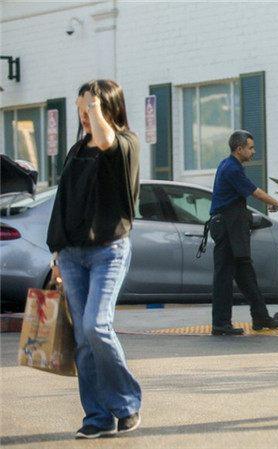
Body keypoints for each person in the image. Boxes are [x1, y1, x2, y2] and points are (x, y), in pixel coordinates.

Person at [46, 80, 142, 439]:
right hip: (72, 254)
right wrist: (57, 254)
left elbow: (105, 140)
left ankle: (126, 404)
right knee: (83, 339)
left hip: (108, 250)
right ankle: (98, 417)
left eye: (90, 108)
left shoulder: (125, 144)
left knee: (96, 326)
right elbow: (65, 203)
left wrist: (94, 105)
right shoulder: (76, 150)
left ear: (108, 107)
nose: (84, 115)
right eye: (80, 108)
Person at [209, 130, 278, 335]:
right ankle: (220, 324)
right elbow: (255, 192)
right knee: (224, 276)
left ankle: (260, 316)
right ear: (239, 149)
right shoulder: (232, 168)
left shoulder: (229, 165)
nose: (253, 152)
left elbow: (241, 195)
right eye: (251, 148)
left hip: (233, 225)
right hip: (228, 227)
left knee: (245, 272)